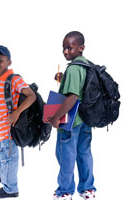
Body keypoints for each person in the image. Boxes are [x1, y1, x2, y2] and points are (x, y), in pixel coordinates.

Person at [47, 31, 96, 200]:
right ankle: (87, 189)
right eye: (64, 48)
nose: (66, 51)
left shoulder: (74, 68)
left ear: (81, 48)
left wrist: (55, 118)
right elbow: (81, 89)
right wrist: (63, 78)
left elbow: (72, 97)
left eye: (70, 47)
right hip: (85, 119)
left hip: (70, 121)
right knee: (84, 153)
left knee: (65, 156)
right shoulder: (86, 65)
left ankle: (65, 191)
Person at [0, 45, 36, 198]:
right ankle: (4, 176)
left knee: (8, 156)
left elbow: (31, 96)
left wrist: (17, 112)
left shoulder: (14, 79)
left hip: (9, 127)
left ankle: (11, 189)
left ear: (9, 62)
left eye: (0, 60)